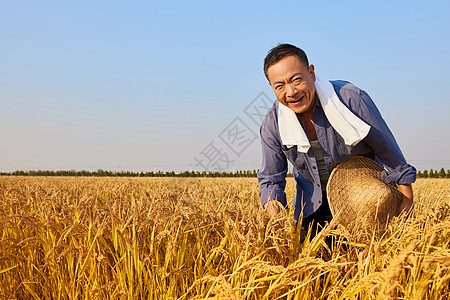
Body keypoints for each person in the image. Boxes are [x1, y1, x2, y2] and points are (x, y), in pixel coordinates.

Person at [257, 43, 416, 232]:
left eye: (296, 79)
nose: (291, 92)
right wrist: (278, 221)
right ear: (271, 87)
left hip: (363, 204)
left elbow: (387, 149)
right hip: (312, 207)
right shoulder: (274, 123)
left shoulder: (351, 99)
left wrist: (406, 200)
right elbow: (271, 179)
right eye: (280, 86)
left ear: (311, 73)